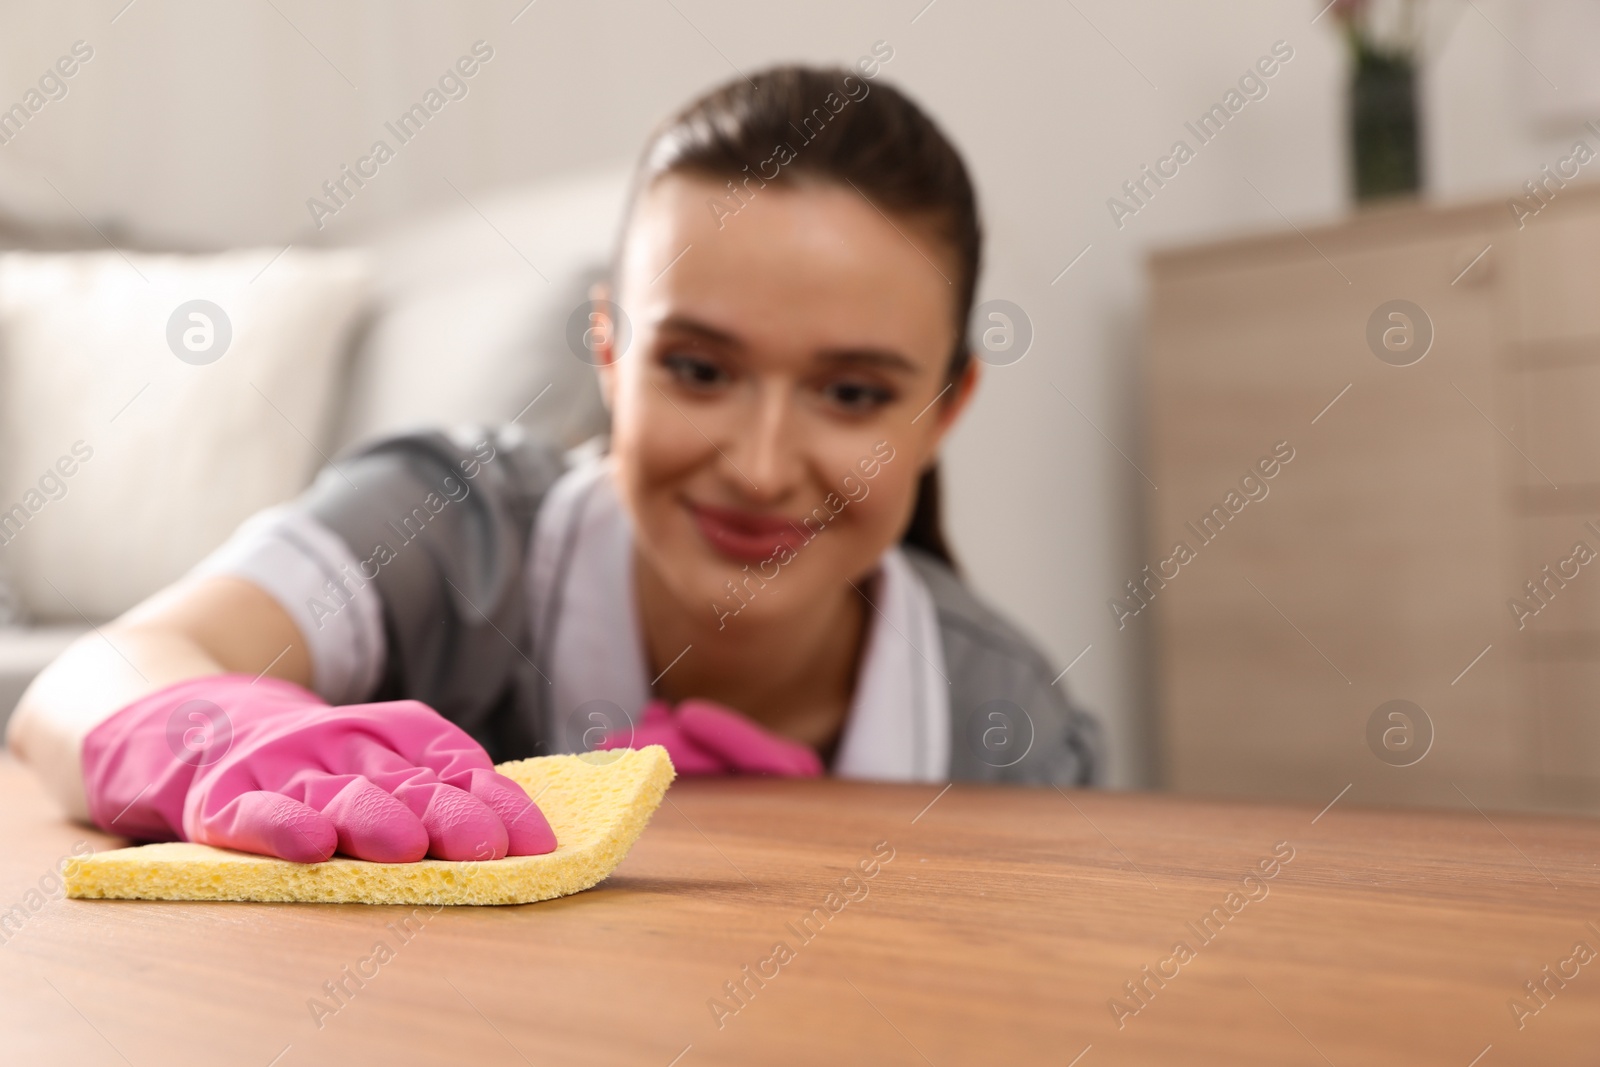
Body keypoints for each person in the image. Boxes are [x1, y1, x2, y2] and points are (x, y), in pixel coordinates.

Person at [7, 65, 1100, 865]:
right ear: (611, 354)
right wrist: (242, 744)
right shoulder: (447, 528)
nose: (763, 468)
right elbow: (91, 678)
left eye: (852, 393)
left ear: (944, 406)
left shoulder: (1010, 728)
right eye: (698, 369)